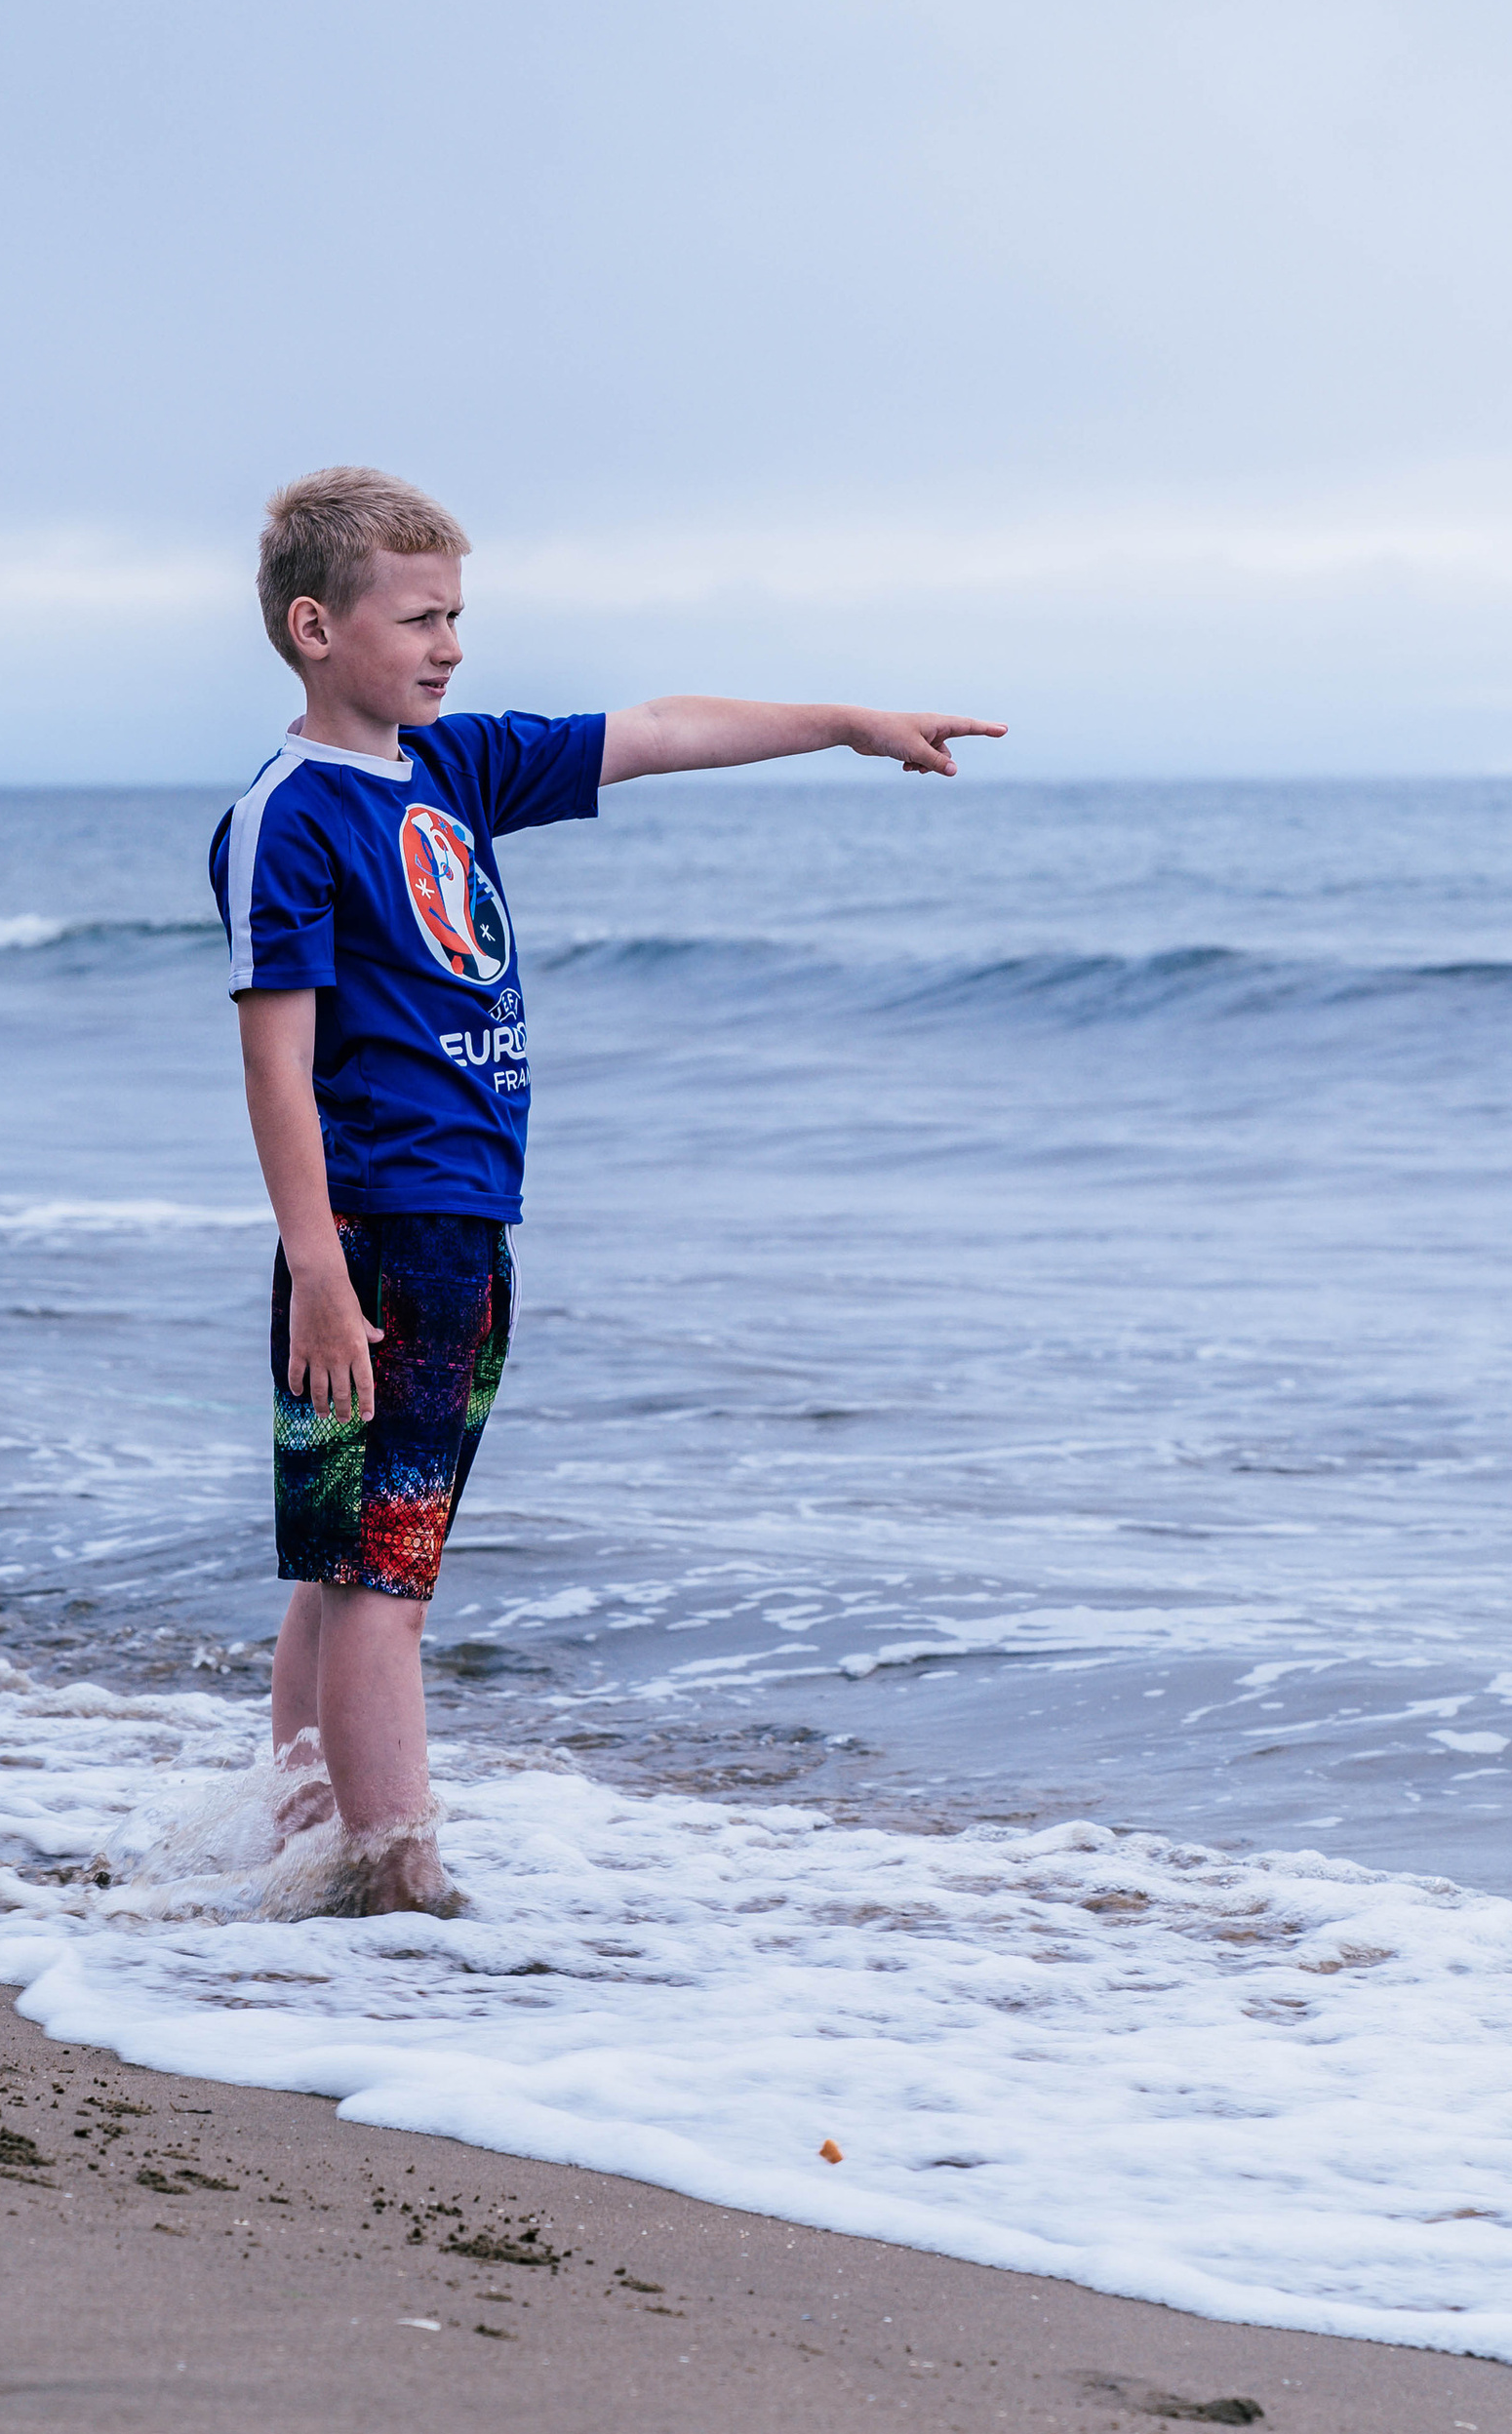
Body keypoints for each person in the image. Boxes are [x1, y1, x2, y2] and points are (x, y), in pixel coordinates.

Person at [210, 464, 1004, 1913]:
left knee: (342, 1564)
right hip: (391, 1238)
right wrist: (319, 1270)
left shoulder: (449, 767)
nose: (450, 646)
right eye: (420, 620)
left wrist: (840, 723)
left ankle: (297, 1846)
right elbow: (276, 1062)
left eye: (459, 616)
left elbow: (650, 734)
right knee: (387, 1577)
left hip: (440, 1231)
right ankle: (400, 1888)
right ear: (316, 629)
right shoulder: (293, 813)